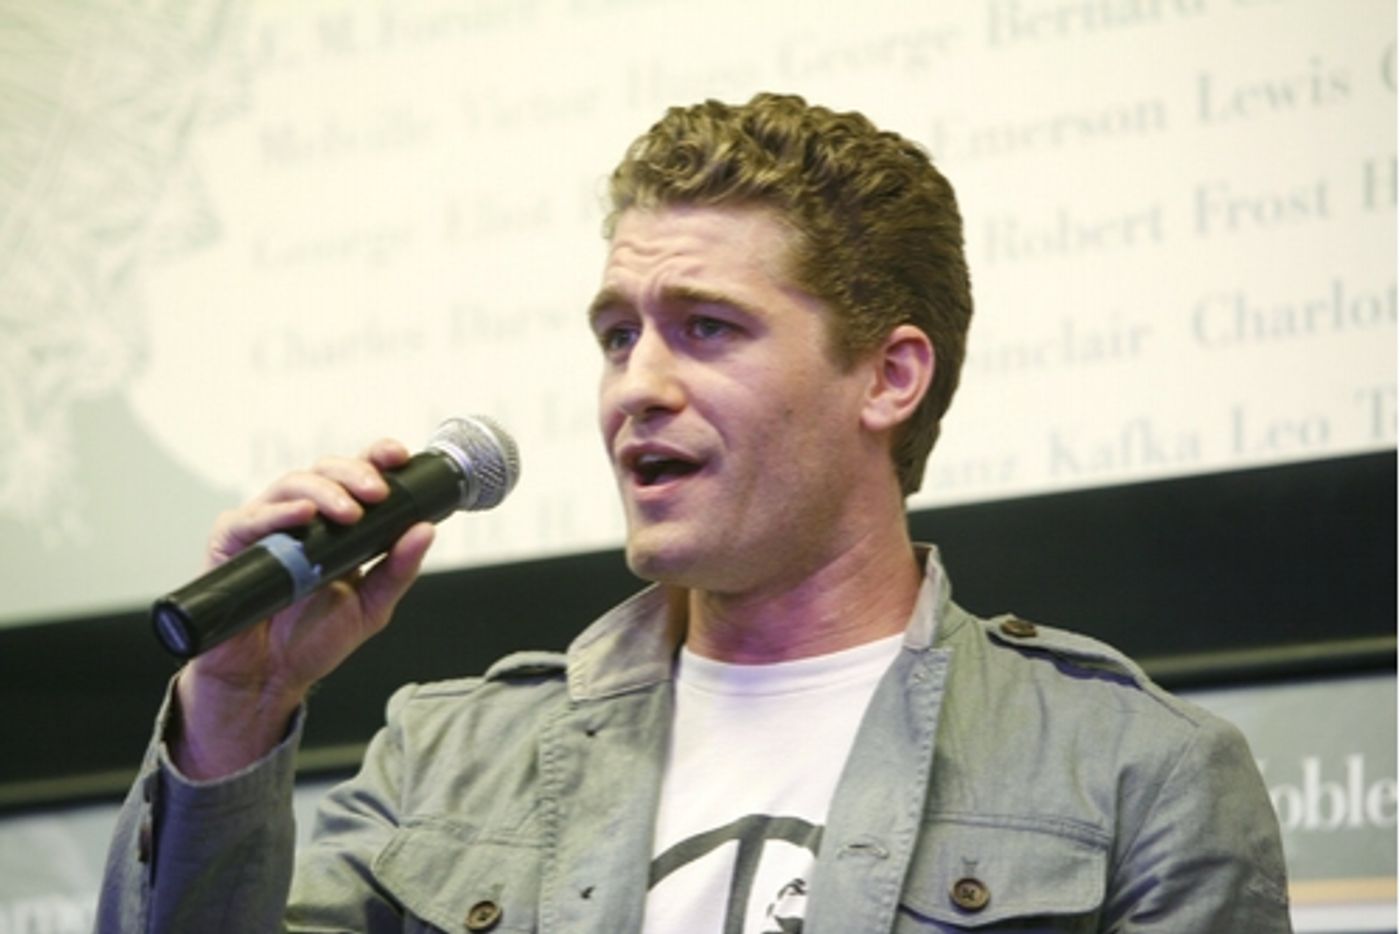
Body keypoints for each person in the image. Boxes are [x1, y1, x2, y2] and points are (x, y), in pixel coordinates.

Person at [97, 93, 1292, 932]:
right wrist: (236, 708)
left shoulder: (1134, 775)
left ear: (888, 377)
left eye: (706, 328)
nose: (637, 386)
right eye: (618, 334)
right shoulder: (446, 760)